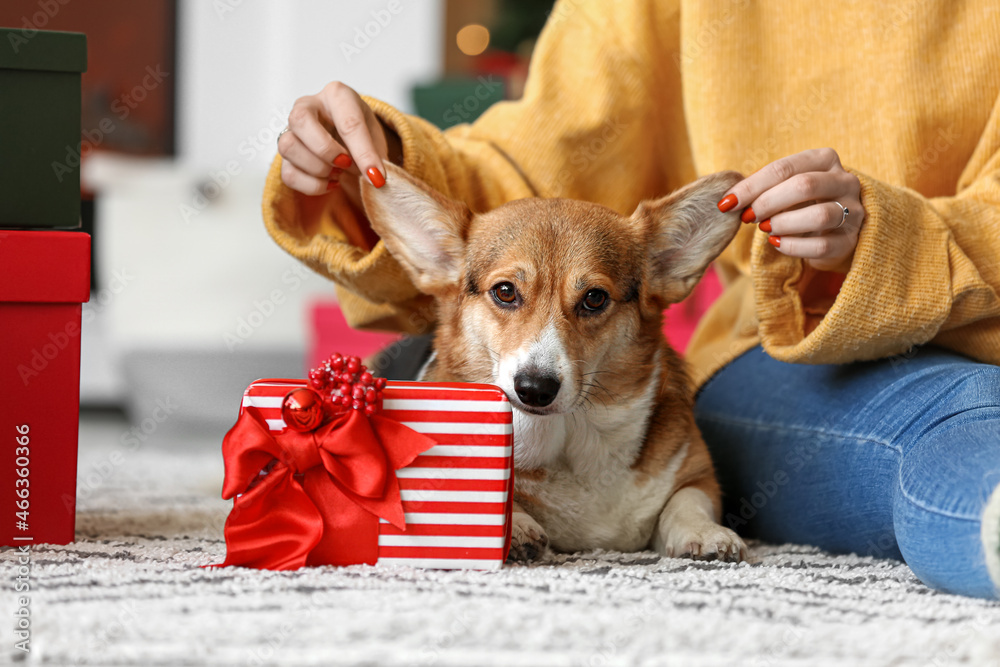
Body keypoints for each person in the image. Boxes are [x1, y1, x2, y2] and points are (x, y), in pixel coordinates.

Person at [263, 0, 1000, 598]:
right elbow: (528, 181)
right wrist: (368, 156)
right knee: (966, 430)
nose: (541, 341)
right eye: (511, 297)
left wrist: (903, 240)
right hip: (810, 354)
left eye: (588, 304)